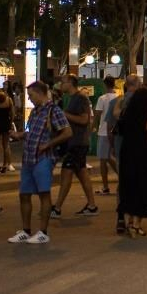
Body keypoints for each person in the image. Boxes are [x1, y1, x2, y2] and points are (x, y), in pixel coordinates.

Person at [9, 81, 70, 245]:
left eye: (31, 95)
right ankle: (26, 230)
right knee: (24, 194)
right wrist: (20, 135)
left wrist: (49, 144)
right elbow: (32, 132)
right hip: (29, 157)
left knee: (44, 194)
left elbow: (67, 132)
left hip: (43, 158)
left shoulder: (53, 110)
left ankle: (43, 231)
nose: (30, 99)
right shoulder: (35, 112)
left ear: (41, 93)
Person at [52, 75, 100, 219]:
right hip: (74, 141)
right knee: (82, 173)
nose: (61, 85)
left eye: (63, 82)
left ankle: (58, 207)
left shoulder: (80, 98)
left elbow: (84, 119)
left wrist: (64, 114)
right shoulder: (71, 98)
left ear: (71, 83)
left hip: (78, 142)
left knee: (66, 172)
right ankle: (92, 205)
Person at [115, 86, 147, 237]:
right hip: (143, 155)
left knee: (127, 187)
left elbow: (117, 122)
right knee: (141, 188)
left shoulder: (126, 114)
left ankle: (127, 222)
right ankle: (136, 224)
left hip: (127, 153)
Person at [94, 78, 121, 194]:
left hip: (104, 131)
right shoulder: (119, 98)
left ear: (105, 85)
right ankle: (122, 178)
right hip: (116, 132)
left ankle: (105, 187)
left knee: (103, 160)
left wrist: (94, 127)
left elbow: (97, 114)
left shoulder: (102, 98)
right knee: (110, 157)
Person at [0, 80, 15, 174]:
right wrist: (11, 122)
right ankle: (5, 165)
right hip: (6, 123)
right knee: (6, 145)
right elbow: (12, 114)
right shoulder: (9, 100)